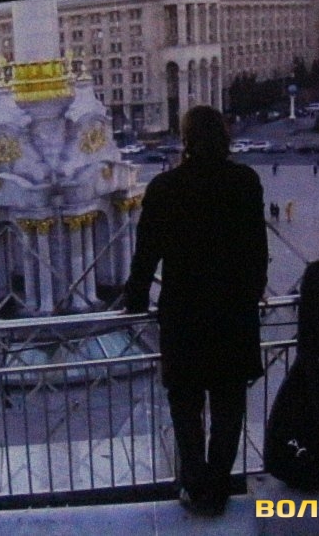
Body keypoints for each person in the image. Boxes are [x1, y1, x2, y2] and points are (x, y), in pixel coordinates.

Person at [125, 105, 269, 517]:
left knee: (186, 407)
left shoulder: (165, 187)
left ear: (186, 139)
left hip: (184, 315)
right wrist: (251, 294)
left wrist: (136, 299)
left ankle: (194, 484)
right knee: (228, 406)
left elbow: (146, 253)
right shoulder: (245, 181)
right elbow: (257, 250)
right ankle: (218, 487)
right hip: (233, 316)